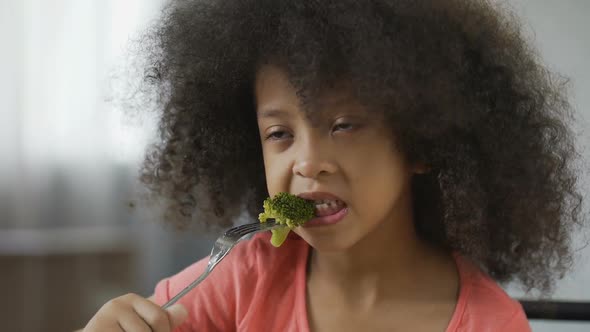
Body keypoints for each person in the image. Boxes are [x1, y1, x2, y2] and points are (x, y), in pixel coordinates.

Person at [81, 0, 585, 331]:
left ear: (421, 142)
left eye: (343, 125)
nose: (307, 162)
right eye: (279, 133)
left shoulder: (489, 323)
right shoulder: (242, 276)